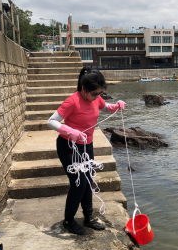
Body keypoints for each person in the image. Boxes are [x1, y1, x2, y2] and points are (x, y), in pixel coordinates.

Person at [47, 67, 126, 235]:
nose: (97, 97)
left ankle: (89, 217)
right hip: (69, 146)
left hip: (86, 146)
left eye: (99, 93)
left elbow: (104, 107)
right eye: (94, 94)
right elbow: (51, 121)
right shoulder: (72, 101)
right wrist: (70, 131)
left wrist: (116, 106)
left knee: (88, 180)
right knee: (79, 184)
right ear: (84, 89)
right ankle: (69, 221)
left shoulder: (95, 99)